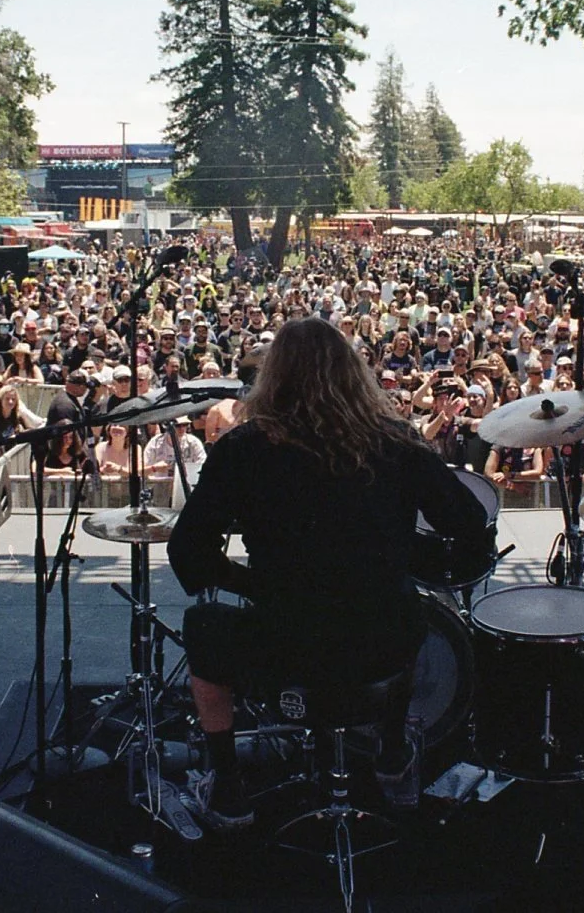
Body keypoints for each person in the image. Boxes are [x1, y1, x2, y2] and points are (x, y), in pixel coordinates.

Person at [167, 318, 488, 830]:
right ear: (353, 374)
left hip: (284, 641)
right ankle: (391, 753)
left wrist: (255, 585)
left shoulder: (242, 448)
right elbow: (468, 524)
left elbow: (188, 552)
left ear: (274, 378)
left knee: (204, 627)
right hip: (380, 642)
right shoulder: (398, 442)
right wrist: (397, 552)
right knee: (405, 604)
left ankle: (229, 789)